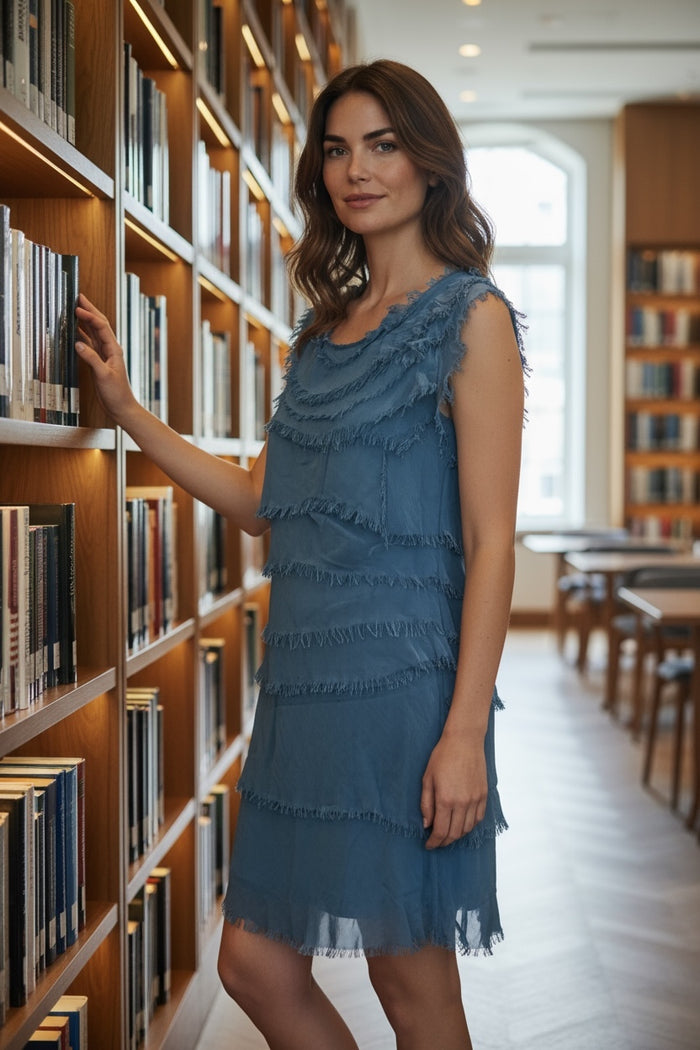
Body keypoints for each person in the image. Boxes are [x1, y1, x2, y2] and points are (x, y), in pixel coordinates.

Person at [76, 58, 526, 1050]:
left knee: (411, 985)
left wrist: (462, 736)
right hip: (300, 697)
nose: (356, 170)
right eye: (335, 149)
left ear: (429, 164)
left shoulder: (472, 320)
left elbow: (495, 546)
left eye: (382, 144)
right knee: (251, 962)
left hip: (406, 701)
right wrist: (126, 412)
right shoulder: (321, 340)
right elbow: (260, 507)